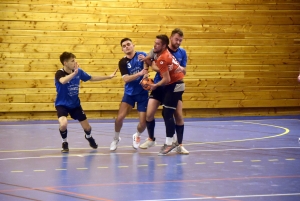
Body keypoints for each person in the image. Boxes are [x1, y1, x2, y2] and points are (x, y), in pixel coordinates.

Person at [55, 51, 117, 153]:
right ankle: (64, 142)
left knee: (87, 128)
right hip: (62, 104)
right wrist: (74, 74)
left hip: (75, 105)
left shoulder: (78, 71)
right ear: (65, 63)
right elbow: (63, 81)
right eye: (72, 61)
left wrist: (108, 77)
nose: (75, 62)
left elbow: (91, 78)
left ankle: (88, 137)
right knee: (63, 124)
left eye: (75, 60)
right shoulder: (59, 73)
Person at [139, 28, 189, 155]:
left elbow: (167, 75)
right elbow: (152, 62)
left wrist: (154, 85)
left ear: (164, 45)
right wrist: (146, 66)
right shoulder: (160, 51)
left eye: (180, 40)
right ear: (170, 38)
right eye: (176, 39)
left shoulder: (168, 55)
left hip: (174, 85)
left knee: (171, 114)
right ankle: (153, 139)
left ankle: (173, 143)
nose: (178, 42)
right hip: (164, 84)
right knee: (150, 113)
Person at [109, 38, 149, 151]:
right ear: (122, 49)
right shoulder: (122, 62)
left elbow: (147, 65)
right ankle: (116, 138)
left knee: (143, 122)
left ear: (133, 45)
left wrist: (145, 75)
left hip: (143, 93)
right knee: (119, 118)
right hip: (130, 93)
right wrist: (140, 73)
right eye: (124, 46)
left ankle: (137, 135)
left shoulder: (142, 55)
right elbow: (126, 79)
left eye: (128, 44)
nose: (126, 47)